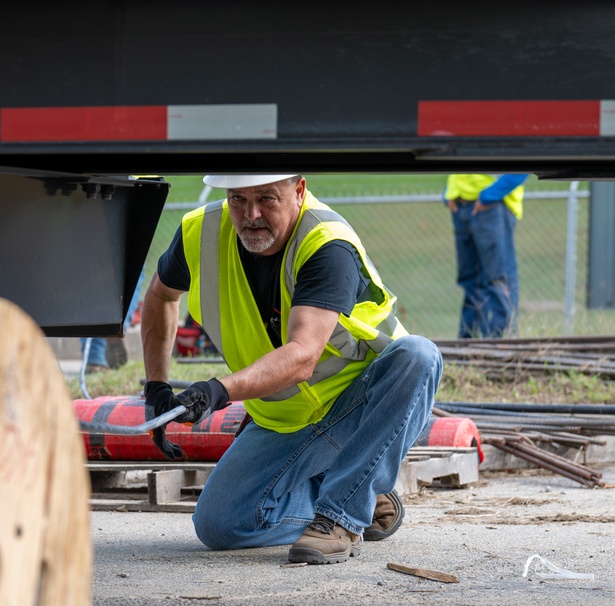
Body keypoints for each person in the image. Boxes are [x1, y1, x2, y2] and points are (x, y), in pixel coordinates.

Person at [141, 174, 442, 565]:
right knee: (219, 525)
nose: (251, 215)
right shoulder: (200, 232)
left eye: (267, 199)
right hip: (282, 419)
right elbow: (162, 294)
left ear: (299, 190)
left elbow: (302, 356)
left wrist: (217, 391)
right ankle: (354, 483)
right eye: (238, 199)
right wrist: (156, 388)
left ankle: (341, 516)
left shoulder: (325, 243)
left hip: (362, 409)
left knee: (418, 355)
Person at [444, 173, 529, 338]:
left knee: (499, 279)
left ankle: (501, 344)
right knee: (470, 281)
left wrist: (489, 196)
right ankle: (469, 347)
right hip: (462, 204)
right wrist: (449, 193)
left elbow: (527, 159)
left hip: (493, 204)